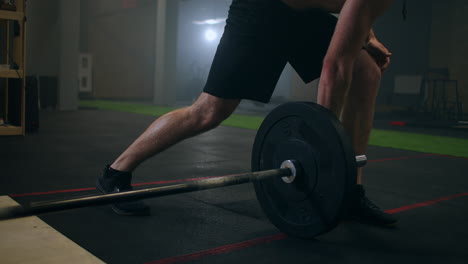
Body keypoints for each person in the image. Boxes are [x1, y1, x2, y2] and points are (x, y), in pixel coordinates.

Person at [96, 0, 397, 226]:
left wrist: (368, 38)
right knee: (209, 111)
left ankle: (351, 195)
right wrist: (320, 148)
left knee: (366, 70)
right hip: (261, 9)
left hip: (302, 15)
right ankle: (115, 173)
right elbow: (335, 67)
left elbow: (357, 9)